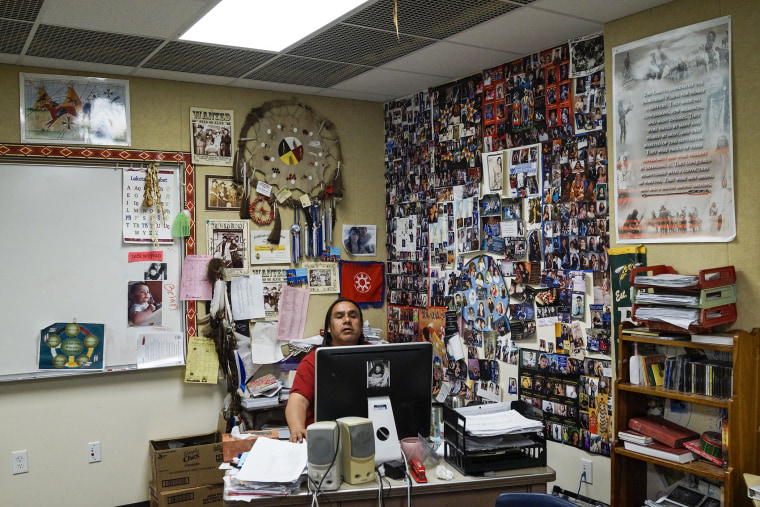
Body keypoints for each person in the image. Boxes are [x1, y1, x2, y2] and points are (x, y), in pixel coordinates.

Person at [286, 298, 366, 443]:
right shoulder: (314, 360)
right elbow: (298, 400)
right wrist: (297, 428)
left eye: (353, 316)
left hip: (366, 435)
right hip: (324, 441)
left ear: (360, 326)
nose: (347, 320)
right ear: (329, 327)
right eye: (340, 316)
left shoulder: (377, 355)